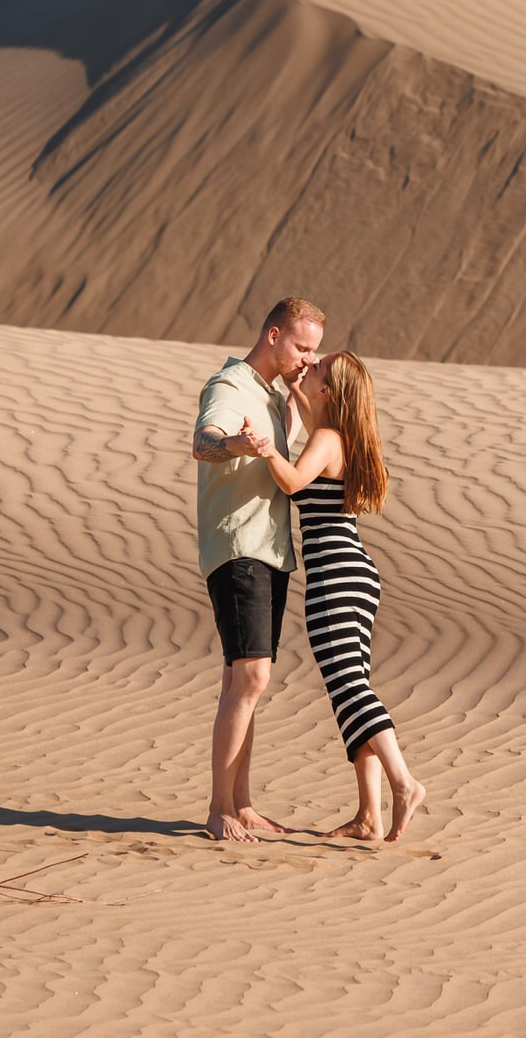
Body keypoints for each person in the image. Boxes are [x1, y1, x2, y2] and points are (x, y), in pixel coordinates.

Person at [262, 350, 426, 842]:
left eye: (317, 368)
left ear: (330, 391)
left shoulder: (328, 439)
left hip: (334, 577)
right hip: (357, 574)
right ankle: (368, 816)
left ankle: (404, 783)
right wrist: (296, 382)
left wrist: (264, 449)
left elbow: (292, 480)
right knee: (351, 689)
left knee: (350, 689)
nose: (308, 366)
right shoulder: (337, 433)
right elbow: (308, 407)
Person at [191, 296, 324, 842]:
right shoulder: (230, 387)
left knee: (243, 680)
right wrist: (236, 443)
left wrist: (299, 389)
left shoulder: (276, 395)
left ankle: (242, 802)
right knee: (252, 677)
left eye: (316, 352)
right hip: (237, 545)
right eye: (302, 348)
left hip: (271, 550)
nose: (308, 361)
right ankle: (219, 807)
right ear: (273, 335)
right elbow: (202, 442)